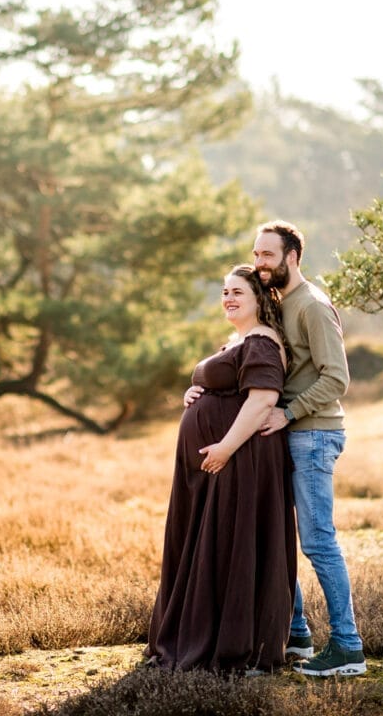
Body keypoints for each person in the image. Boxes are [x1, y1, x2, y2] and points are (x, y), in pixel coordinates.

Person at [144, 265, 296, 676]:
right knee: (207, 543)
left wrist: (226, 448)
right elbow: (228, 387)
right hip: (215, 465)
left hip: (238, 462)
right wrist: (197, 391)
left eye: (238, 293)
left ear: (259, 300)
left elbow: (263, 400)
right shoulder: (241, 340)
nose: (228, 298)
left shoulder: (263, 340)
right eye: (224, 292)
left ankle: (228, 645)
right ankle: (196, 632)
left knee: (229, 542)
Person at [252, 219, 366, 677]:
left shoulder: (313, 306)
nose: (260, 263)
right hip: (290, 433)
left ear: (292, 257)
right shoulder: (279, 303)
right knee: (280, 535)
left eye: (267, 255)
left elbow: (337, 378)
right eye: (256, 254)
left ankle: (348, 647)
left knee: (318, 541)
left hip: (313, 434)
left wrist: (289, 412)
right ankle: (297, 632)